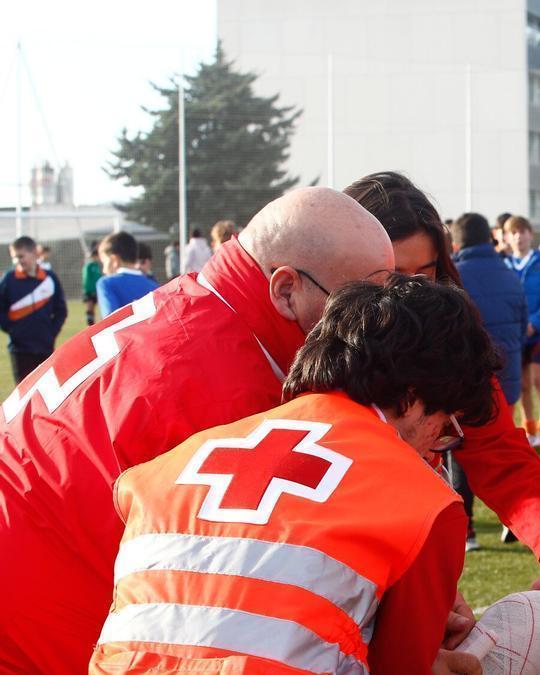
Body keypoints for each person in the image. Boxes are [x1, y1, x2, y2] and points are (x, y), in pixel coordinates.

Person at [0, 187, 395, 674]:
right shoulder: (227, 389)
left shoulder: (197, 313)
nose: (376, 323)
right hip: (40, 620)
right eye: (360, 300)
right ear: (286, 289)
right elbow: (231, 612)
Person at [89, 275, 497, 675]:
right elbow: (404, 666)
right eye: (445, 427)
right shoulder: (425, 501)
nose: (434, 448)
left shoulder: (167, 466)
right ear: (412, 398)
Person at [342, 172, 540, 629]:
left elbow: (501, 456)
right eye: (391, 277)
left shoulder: (445, 338)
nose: (409, 294)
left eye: (425, 275)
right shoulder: (311, 356)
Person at [447, 212, 527, 550]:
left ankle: (466, 530)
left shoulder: (454, 277)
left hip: (466, 381)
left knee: (459, 456)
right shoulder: (509, 274)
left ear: (457, 242)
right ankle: (514, 519)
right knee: (502, 455)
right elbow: (522, 326)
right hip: (506, 378)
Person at [505, 215, 540, 451]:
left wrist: (535, 322)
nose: (519, 236)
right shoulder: (505, 265)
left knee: (539, 380)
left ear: (530, 234)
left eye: (522, 231)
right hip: (516, 334)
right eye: (514, 232)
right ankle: (529, 430)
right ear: (507, 237)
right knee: (523, 385)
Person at [0, 235, 68, 382]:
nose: (17, 261)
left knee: (47, 391)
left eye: (21, 256)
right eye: (14, 257)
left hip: (45, 346)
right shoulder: (9, 280)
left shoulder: (49, 278)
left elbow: (61, 310)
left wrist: (51, 332)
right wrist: (12, 329)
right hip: (20, 349)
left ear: (35, 253)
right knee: (23, 393)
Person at [96, 232, 158, 318]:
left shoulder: (106, 283)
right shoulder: (155, 287)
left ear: (114, 260)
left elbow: (110, 322)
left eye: (104, 262)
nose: (104, 270)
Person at [82, 241, 102, 326]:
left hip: (97, 290)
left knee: (98, 308)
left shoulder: (97, 265)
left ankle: (96, 325)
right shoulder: (88, 266)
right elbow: (86, 279)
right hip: (90, 291)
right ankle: (90, 325)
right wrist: (88, 290)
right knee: (90, 309)